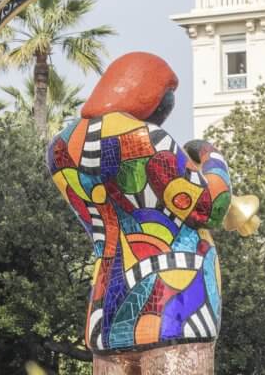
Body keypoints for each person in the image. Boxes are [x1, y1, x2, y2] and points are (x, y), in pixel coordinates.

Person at [47, 52, 232, 375]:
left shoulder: (60, 149)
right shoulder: (148, 138)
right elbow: (209, 207)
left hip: (107, 308)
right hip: (176, 301)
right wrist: (211, 156)